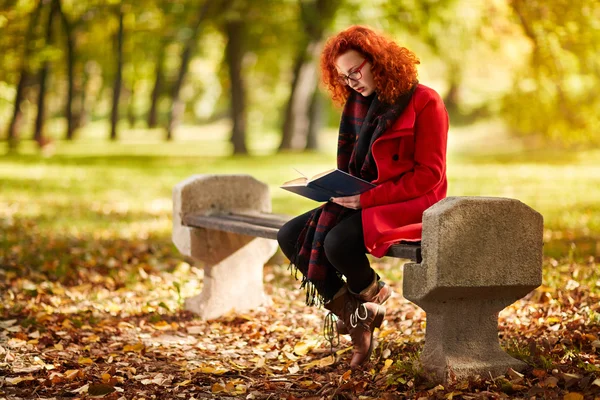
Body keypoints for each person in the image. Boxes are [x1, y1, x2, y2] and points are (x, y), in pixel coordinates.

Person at [277, 25, 449, 368]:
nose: (351, 81)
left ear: (379, 62)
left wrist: (366, 200)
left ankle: (370, 298)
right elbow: (359, 167)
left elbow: (430, 175)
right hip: (366, 195)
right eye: (343, 76)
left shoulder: (425, 101)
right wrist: (334, 187)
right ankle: (360, 314)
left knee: (338, 242)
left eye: (356, 70)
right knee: (290, 235)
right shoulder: (358, 105)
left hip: (410, 201)